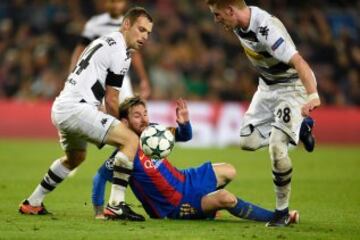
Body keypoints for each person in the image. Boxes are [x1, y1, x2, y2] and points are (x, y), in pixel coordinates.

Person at [19, 7, 153, 221]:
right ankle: (116, 205)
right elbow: (111, 98)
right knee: (130, 140)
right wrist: (124, 126)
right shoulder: (119, 50)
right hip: (76, 108)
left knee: (75, 158)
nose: (145, 36)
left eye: (148, 32)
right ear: (126, 25)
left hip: (64, 106)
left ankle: (32, 202)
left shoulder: (107, 42)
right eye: (141, 29)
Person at [91, 96, 299, 224]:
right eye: (137, 116)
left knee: (229, 170)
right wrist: (99, 213)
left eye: (145, 113)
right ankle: (277, 216)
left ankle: (207, 210)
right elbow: (99, 178)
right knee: (226, 198)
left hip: (186, 179)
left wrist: (184, 124)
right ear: (125, 122)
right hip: (175, 206)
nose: (145, 118)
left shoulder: (153, 132)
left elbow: (184, 136)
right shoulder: (124, 156)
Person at [204, 0, 320, 227]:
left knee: (277, 147)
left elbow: (298, 61)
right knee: (247, 141)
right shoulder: (237, 24)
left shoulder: (266, 29)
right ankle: (301, 128)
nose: (216, 20)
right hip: (267, 88)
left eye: (218, 15)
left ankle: (281, 212)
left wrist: (312, 95)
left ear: (230, 10)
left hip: (291, 88)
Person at [70, 0, 151, 102]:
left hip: (121, 78)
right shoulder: (95, 24)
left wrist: (143, 78)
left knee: (125, 113)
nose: (116, 5)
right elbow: (81, 49)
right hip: (97, 78)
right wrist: (73, 73)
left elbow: (134, 54)